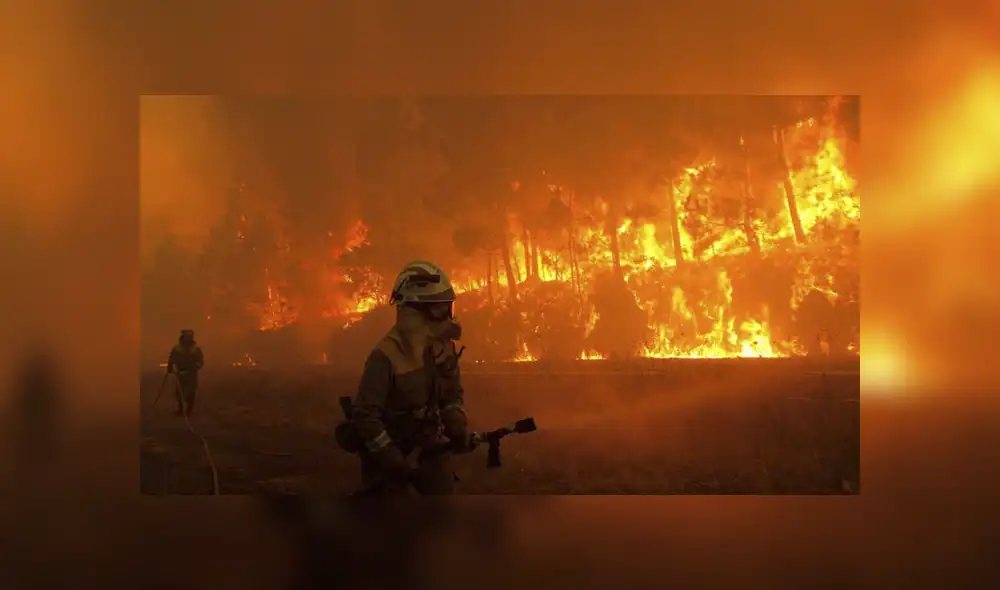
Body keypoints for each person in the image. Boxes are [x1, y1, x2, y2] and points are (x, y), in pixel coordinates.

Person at [348, 260, 471, 495]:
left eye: (448, 307)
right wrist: (390, 456)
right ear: (413, 311)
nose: (447, 316)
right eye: (438, 309)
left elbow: (452, 393)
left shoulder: (442, 348)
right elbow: (365, 415)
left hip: (429, 449)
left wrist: (455, 418)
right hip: (389, 455)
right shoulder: (385, 357)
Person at [167, 329, 205, 416]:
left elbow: (200, 361)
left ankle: (189, 410)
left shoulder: (195, 349)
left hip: (191, 374)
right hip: (180, 373)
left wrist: (196, 368)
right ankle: (180, 408)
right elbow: (171, 359)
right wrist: (170, 368)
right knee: (179, 392)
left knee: (191, 392)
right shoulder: (177, 348)